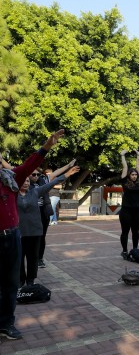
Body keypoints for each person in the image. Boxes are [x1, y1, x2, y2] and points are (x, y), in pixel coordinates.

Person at [0, 129, 65, 341]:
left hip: (13, 237)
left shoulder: (10, 179)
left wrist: (46, 146)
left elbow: (29, 165)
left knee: (11, 283)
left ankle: (6, 323)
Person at [18, 166, 79, 286]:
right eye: (23, 181)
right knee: (19, 258)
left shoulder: (35, 192)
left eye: (27, 181)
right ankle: (21, 280)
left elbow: (52, 183)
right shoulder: (12, 195)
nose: (26, 183)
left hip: (35, 231)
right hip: (19, 232)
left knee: (33, 258)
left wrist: (66, 175)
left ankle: (31, 281)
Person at [119, 150, 139, 259]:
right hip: (126, 211)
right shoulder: (125, 182)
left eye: (135, 175)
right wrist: (123, 155)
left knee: (135, 232)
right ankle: (124, 251)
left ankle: (134, 250)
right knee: (125, 231)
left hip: (137, 210)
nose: (134, 176)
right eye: (132, 174)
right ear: (129, 175)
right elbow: (125, 167)